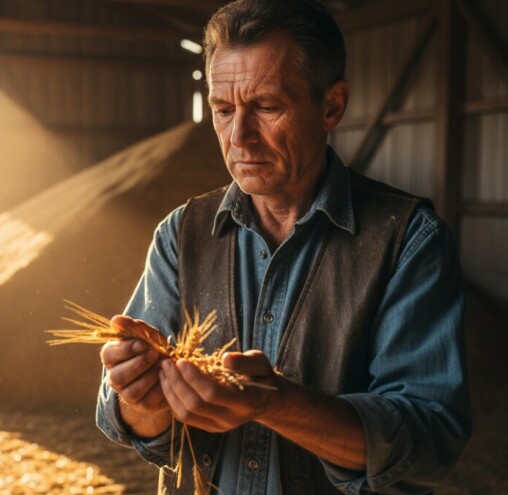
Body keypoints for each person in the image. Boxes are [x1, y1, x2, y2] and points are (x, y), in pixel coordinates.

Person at [95, 0, 472, 494]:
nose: (239, 137)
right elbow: (135, 427)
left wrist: (276, 403)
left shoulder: (406, 240)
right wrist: (142, 401)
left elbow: (429, 441)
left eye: (267, 107)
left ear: (332, 105)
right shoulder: (181, 233)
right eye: (223, 110)